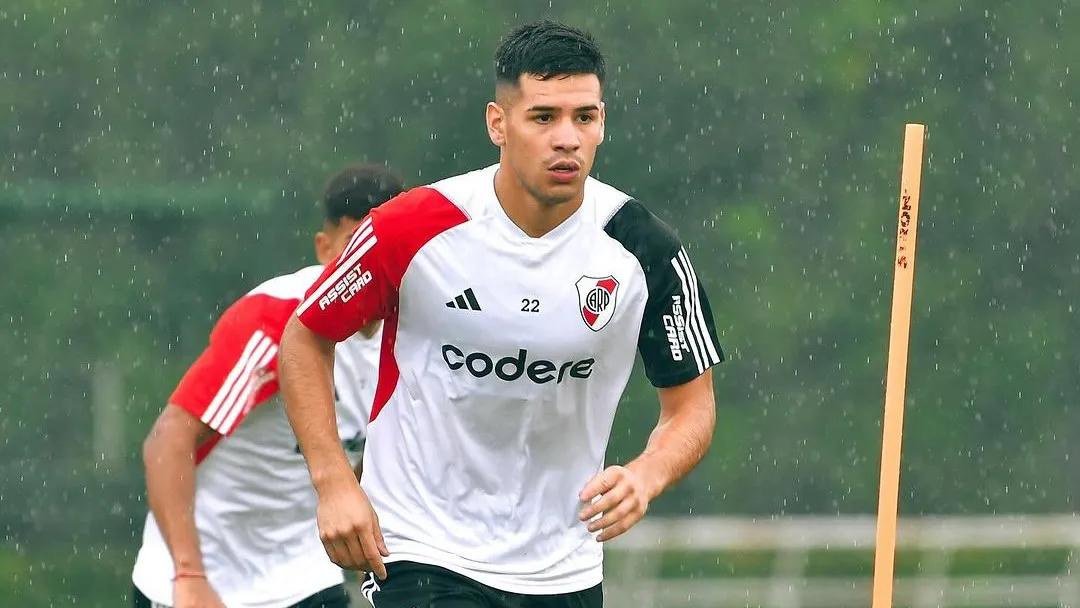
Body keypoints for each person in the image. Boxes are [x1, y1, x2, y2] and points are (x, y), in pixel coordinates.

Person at [278, 20, 724, 608]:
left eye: (583, 117)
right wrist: (334, 483)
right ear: (499, 124)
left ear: (602, 123)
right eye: (543, 117)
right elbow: (306, 337)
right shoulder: (412, 227)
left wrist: (648, 474)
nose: (566, 138)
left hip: (564, 567)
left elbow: (691, 404)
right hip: (422, 549)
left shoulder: (646, 249)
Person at [130, 164, 406, 608]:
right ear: (324, 248)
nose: (365, 267)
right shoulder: (274, 318)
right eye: (353, 249)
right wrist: (189, 575)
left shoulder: (416, 330)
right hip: (203, 580)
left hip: (305, 577)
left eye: (382, 250)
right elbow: (168, 441)